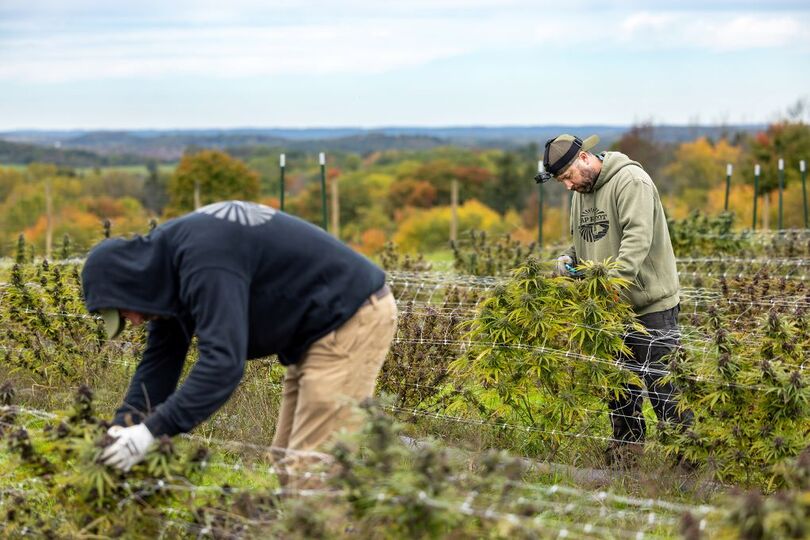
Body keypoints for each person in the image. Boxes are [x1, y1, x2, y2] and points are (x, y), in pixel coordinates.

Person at [82, 200, 397, 482]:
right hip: (315, 333)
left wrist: (151, 432)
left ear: (131, 280)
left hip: (350, 318)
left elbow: (223, 365)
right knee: (287, 463)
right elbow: (161, 359)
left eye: (125, 311)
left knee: (314, 471)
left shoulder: (204, 261)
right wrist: (123, 427)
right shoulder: (168, 270)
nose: (133, 321)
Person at [538, 134, 693, 468]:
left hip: (649, 306)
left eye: (568, 178)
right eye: (561, 182)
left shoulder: (631, 181)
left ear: (584, 158)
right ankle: (624, 462)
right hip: (608, 310)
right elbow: (582, 241)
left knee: (664, 388)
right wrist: (568, 260)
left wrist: (607, 289)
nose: (567, 186)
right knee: (619, 391)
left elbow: (636, 242)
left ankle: (688, 466)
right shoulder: (582, 192)